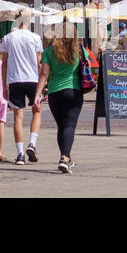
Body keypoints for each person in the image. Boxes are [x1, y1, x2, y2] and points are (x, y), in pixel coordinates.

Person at [35, 21, 84, 174]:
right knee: (69, 126)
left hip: (55, 92)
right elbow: (91, 64)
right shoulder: (79, 49)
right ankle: (64, 158)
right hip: (73, 90)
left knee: (62, 126)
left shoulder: (50, 51)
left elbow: (44, 74)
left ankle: (65, 157)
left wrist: (37, 94)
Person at [0, 10, 44, 164]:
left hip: (14, 79)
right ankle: (32, 143)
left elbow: (4, 63)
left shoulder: (7, 38)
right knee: (37, 110)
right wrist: (43, 82)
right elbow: (39, 62)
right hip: (32, 79)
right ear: (28, 21)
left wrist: (5, 85)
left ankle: (20, 154)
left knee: (18, 116)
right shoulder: (35, 38)